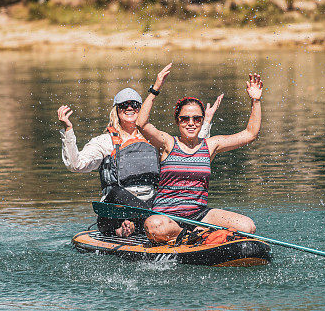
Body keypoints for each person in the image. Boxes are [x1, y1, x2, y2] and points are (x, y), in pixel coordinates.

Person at [58, 86, 222, 237]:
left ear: (141, 109)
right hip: (116, 208)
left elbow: (191, 154)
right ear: (117, 110)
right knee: (117, 192)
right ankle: (126, 226)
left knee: (165, 198)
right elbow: (76, 164)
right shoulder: (105, 141)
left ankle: (138, 225)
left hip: (151, 206)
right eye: (124, 105)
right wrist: (68, 129)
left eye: (135, 105)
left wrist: (206, 122)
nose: (130, 108)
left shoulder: (154, 140)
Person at [135, 64, 262, 243]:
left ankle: (197, 233)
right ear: (177, 121)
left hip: (200, 216)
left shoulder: (211, 146)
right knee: (153, 226)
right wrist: (155, 88)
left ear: (202, 121)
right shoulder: (167, 143)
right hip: (167, 218)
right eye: (185, 119)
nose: (191, 123)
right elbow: (141, 124)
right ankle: (190, 235)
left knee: (248, 227)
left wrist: (255, 101)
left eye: (197, 119)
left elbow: (250, 134)